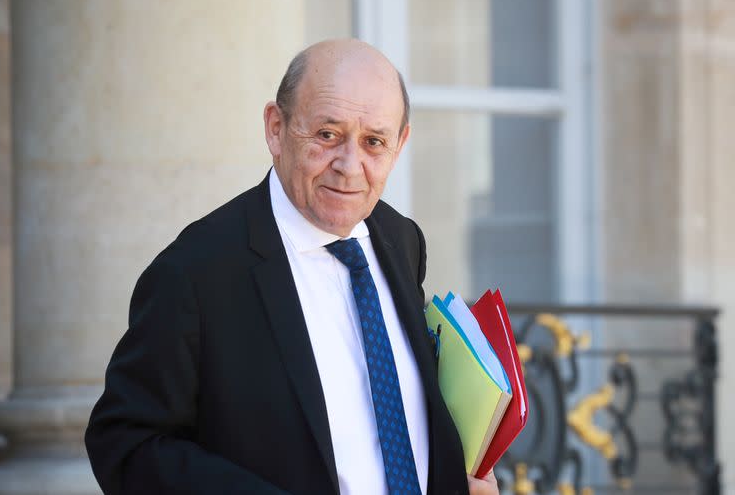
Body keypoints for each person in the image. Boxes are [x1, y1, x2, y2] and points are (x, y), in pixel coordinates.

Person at [85, 39, 499, 495]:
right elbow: (126, 443)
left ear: (400, 145)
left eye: (373, 142)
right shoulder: (194, 272)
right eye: (327, 135)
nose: (349, 166)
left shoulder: (401, 240)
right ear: (276, 128)